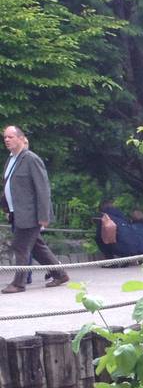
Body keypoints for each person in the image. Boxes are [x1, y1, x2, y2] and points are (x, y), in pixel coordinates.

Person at [2, 125, 69, 294]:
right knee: (37, 247)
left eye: (10, 137)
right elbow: (10, 186)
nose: (6, 140)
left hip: (30, 214)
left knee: (20, 246)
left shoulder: (31, 159)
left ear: (20, 138)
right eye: (5, 137)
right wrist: (7, 207)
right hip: (17, 213)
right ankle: (60, 274)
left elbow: (43, 189)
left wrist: (43, 216)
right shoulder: (11, 159)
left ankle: (19, 284)